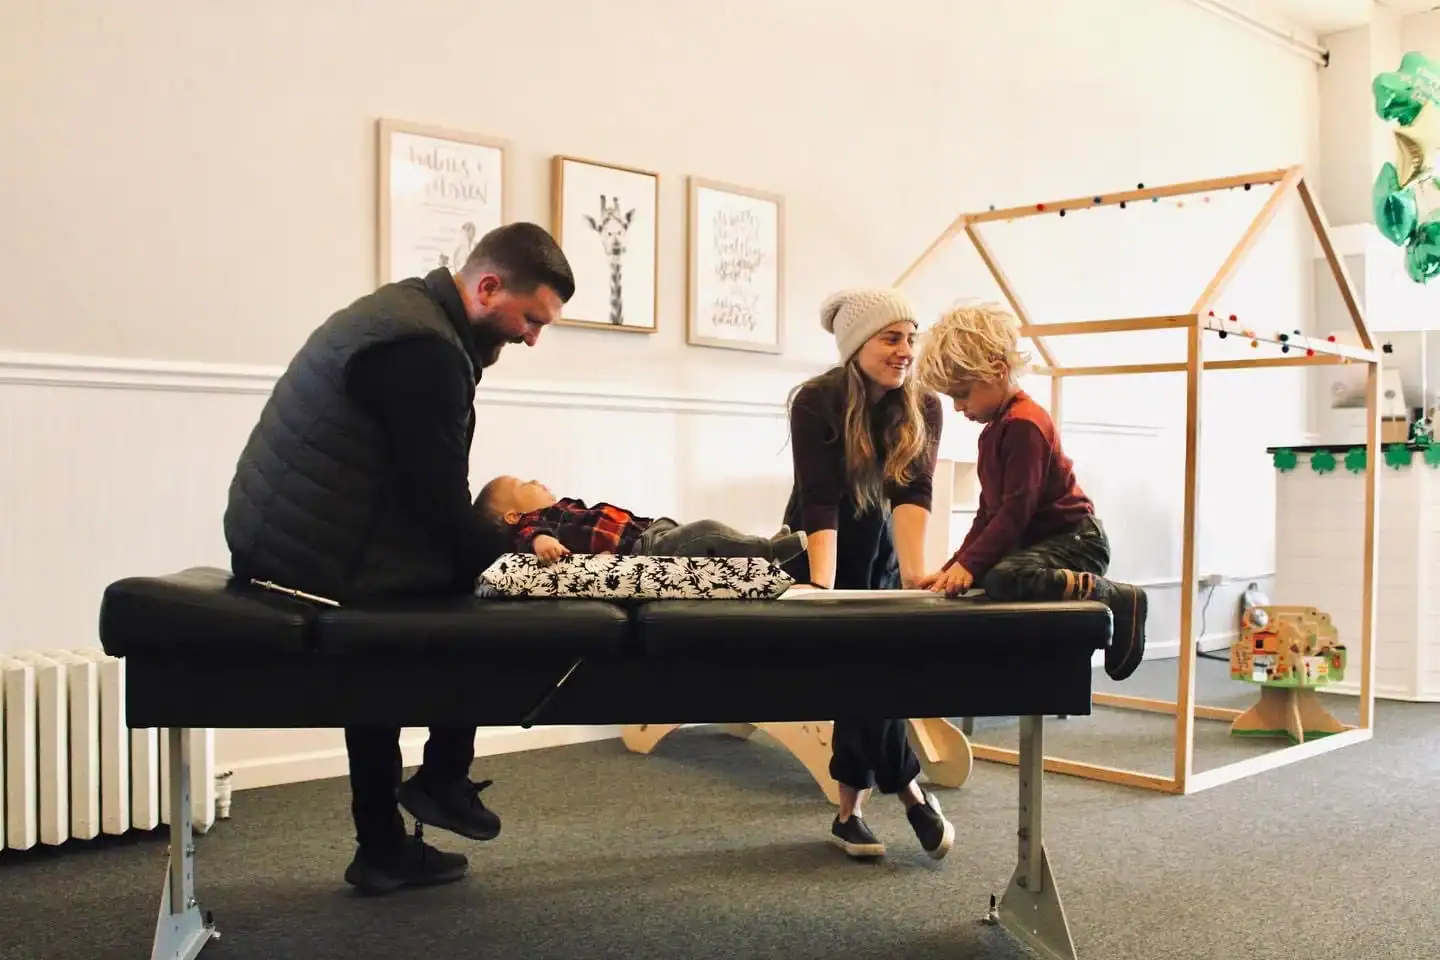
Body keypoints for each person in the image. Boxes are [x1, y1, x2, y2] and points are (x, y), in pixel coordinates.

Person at [222, 222, 577, 895]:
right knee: (477, 596)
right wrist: (519, 552)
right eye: (531, 320)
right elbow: (438, 506)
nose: (532, 338)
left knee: (399, 633)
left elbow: (419, 492)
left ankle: (384, 843)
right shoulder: (425, 351)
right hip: (308, 554)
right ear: (488, 286)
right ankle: (442, 779)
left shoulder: (408, 316)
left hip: (283, 538)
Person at [779, 287, 955, 862]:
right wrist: (824, 590)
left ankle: (849, 815)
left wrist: (914, 575)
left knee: (870, 671)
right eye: (891, 338)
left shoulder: (924, 404)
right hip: (816, 546)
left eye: (911, 337)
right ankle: (909, 795)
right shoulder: (815, 400)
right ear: (857, 345)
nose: (906, 350)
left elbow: (913, 490)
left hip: (879, 544)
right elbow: (819, 501)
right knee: (862, 667)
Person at [911, 301, 1148, 682]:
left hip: (1076, 540)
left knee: (1002, 578)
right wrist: (953, 567)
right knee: (988, 577)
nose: (957, 408)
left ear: (998, 371)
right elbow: (988, 514)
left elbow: (1016, 511)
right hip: (1039, 545)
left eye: (963, 394)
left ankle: (1119, 597)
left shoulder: (1024, 424)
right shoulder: (994, 430)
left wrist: (969, 566)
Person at [474, 475, 808, 564]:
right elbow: (528, 536)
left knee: (708, 544)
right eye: (522, 484)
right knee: (708, 532)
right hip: (643, 550)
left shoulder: (559, 510)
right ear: (514, 515)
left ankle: (758, 550)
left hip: (651, 530)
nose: (534, 481)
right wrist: (541, 540)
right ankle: (769, 550)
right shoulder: (535, 524)